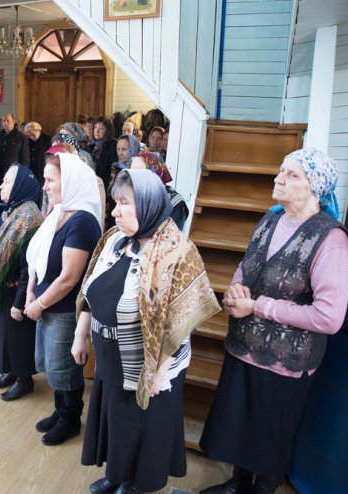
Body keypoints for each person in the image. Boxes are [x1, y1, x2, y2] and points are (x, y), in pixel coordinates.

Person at [199, 147, 348, 494]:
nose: (278, 178)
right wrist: (236, 288)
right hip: (244, 347)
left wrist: (258, 306)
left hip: (285, 361)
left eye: (291, 174)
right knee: (240, 428)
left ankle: (262, 490)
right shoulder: (271, 219)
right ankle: (238, 484)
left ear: (314, 188)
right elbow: (249, 262)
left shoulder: (330, 239)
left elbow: (329, 317)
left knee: (270, 437)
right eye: (281, 170)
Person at [73, 169, 219, 494]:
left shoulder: (177, 252)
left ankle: (136, 483)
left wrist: (158, 372)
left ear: (149, 205)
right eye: (115, 203)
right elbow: (90, 289)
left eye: (124, 203)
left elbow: (180, 323)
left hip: (151, 365)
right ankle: (116, 474)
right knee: (117, 419)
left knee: (142, 424)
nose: (114, 212)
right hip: (111, 357)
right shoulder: (114, 240)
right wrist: (80, 335)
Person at [25, 152, 103, 446]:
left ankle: (70, 420)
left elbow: (69, 278)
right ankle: (60, 411)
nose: (45, 186)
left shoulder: (82, 221)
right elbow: (39, 256)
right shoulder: (61, 212)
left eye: (50, 180)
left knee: (66, 369)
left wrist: (38, 303)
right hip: (48, 302)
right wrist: (31, 289)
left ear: (69, 182)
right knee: (54, 366)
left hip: (64, 308)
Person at [0, 164, 44, 401]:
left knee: (19, 336)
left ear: (20, 185)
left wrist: (19, 303)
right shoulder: (11, 209)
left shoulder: (29, 217)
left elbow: (28, 268)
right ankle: (9, 370)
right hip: (5, 287)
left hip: (19, 290)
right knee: (4, 333)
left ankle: (24, 379)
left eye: (7, 181)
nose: (1, 185)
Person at [0, 113, 29, 208]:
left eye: (8, 121)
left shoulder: (21, 138)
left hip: (13, 175)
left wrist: (21, 174)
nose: (5, 123)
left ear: (13, 122)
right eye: (4, 121)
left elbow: (25, 159)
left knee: (12, 200)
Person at [89, 117, 117, 188]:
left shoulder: (113, 145)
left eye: (101, 129)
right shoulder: (90, 144)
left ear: (107, 131)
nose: (97, 131)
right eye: (95, 128)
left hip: (105, 184)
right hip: (91, 183)